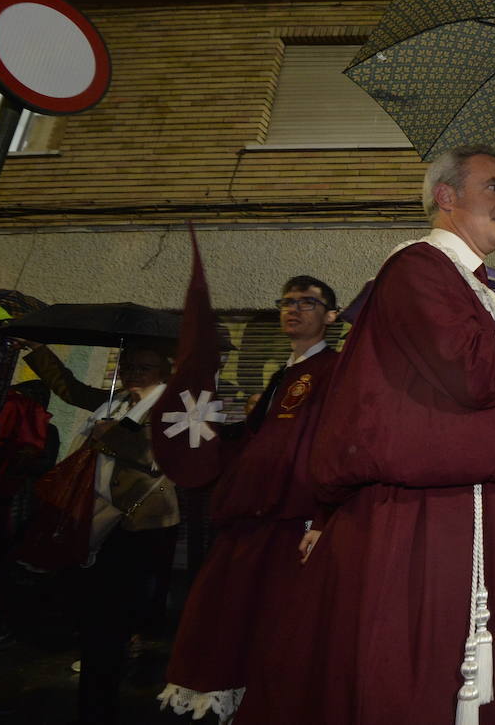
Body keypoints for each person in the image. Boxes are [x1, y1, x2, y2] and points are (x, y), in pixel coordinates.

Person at [236, 146, 495, 725]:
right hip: (427, 516)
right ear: (446, 196)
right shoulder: (418, 266)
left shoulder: (473, 285)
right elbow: (479, 370)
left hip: (485, 507)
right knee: (415, 677)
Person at [156, 275, 344, 722]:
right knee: (228, 621)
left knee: (275, 630)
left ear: (332, 317)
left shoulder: (333, 370)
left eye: (308, 303)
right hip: (249, 519)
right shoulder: (283, 373)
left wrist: (322, 518)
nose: (293, 309)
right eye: (286, 302)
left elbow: (335, 447)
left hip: (290, 522)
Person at [23, 340, 179, 725]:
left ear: (164, 371)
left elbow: (159, 456)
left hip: (139, 523)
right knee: (97, 613)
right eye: (128, 365)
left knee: (114, 614)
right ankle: (99, 679)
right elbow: (71, 389)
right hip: (97, 517)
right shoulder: (117, 401)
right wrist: (37, 351)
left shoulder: (172, 407)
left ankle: (103, 696)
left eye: (144, 366)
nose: (133, 372)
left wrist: (110, 436)